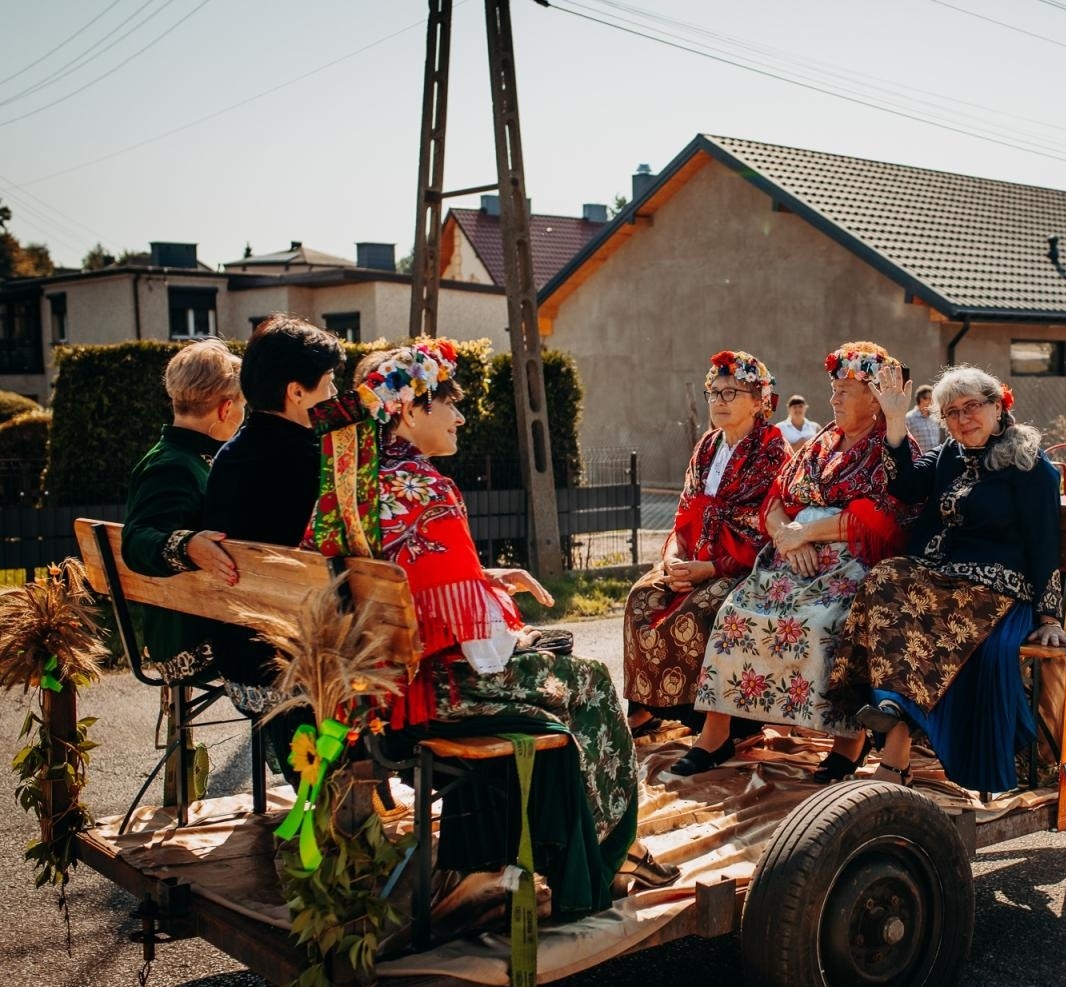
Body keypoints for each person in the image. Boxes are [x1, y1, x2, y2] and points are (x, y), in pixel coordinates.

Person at [305, 342, 666, 910]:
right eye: (449, 402)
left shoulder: (354, 485)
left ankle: (512, 854)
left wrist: (489, 582)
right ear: (407, 409)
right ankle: (612, 849)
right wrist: (516, 633)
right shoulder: (429, 490)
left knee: (555, 672)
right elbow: (474, 639)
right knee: (590, 680)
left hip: (379, 695)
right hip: (437, 694)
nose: (462, 416)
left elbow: (419, 586)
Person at [674, 341, 918, 779]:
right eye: (834, 388)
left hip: (852, 564)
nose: (834, 397)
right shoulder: (823, 441)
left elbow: (886, 518)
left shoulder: (894, 447)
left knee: (826, 624)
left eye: (846, 388)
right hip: (793, 556)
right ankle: (715, 734)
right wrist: (788, 538)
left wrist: (806, 531)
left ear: (876, 397)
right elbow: (775, 497)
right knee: (737, 613)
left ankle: (849, 742)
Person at [833, 365, 1066, 792]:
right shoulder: (949, 455)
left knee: (932, 619)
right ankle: (892, 713)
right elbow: (904, 486)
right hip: (940, 582)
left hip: (996, 590)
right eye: (952, 413)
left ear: (998, 407)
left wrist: (1050, 617)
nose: (963, 419)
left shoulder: (1029, 465)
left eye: (972, 407)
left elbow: (1045, 544)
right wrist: (894, 418)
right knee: (885, 576)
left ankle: (895, 737)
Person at [622, 350, 790, 738]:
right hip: (693, 557)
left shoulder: (772, 450)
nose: (718, 400)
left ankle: (715, 722)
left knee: (700, 609)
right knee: (642, 597)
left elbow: (763, 530)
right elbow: (686, 512)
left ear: (759, 401)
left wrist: (712, 568)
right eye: (713, 392)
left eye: (731, 393)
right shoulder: (707, 446)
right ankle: (646, 707)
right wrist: (672, 560)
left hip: (742, 566)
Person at [204, 314, 343, 776]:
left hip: (238, 661)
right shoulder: (314, 462)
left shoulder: (230, 454)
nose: (335, 395)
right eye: (327, 383)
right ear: (296, 392)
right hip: (295, 668)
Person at [121, 339, 244, 683]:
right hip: (191, 640)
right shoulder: (173, 465)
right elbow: (136, 539)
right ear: (225, 409)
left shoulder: (185, 456)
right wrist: (188, 546)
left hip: (194, 619)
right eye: (242, 406)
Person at [904, 383, 944, 452]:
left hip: (935, 459)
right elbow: (905, 442)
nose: (931, 402)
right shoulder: (909, 418)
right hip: (918, 460)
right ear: (920, 399)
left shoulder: (934, 418)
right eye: (928, 398)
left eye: (932, 399)